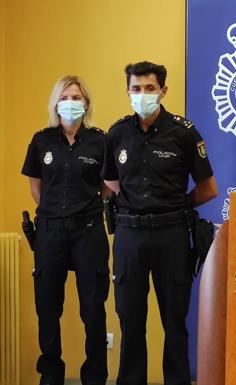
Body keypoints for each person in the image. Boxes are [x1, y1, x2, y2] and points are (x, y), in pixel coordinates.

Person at [102, 61, 218, 385]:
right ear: (128, 91)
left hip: (172, 235)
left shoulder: (183, 132)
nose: (142, 95)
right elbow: (111, 181)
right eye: (136, 89)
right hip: (129, 236)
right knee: (131, 322)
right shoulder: (117, 133)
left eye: (149, 88)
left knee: (174, 322)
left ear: (163, 91)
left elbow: (209, 188)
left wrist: (176, 205)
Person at [22, 75, 110, 385]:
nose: (71, 102)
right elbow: (36, 187)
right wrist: (55, 212)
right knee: (47, 308)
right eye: (65, 97)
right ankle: (51, 373)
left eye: (77, 97)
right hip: (49, 232)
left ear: (86, 103)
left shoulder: (101, 141)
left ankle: (95, 376)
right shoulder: (41, 140)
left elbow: (108, 187)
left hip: (88, 231)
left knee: (93, 310)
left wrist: (82, 206)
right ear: (56, 103)